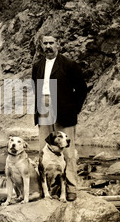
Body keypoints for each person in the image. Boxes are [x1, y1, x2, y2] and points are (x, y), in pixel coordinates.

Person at [32, 34, 87, 201]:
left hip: (64, 109)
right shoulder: (37, 66)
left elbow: (82, 89)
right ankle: (48, 188)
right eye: (45, 43)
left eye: (52, 43)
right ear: (41, 45)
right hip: (44, 106)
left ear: (58, 44)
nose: (48, 46)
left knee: (67, 150)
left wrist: (73, 109)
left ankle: (71, 187)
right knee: (45, 147)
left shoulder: (69, 64)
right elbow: (36, 87)